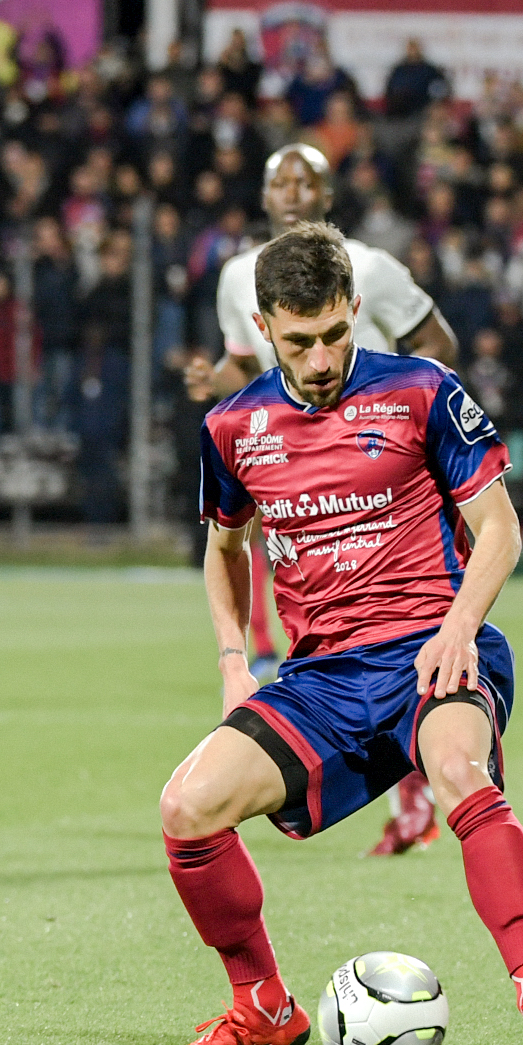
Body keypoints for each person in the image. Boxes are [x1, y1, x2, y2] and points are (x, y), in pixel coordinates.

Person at [161, 222, 523, 1045]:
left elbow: (498, 529)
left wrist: (461, 626)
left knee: (460, 773)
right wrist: (233, 662)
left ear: (356, 310)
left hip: (437, 642)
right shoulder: (232, 427)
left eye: (333, 334)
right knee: (186, 810)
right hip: (320, 676)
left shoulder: (424, 390)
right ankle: (263, 1008)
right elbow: (223, 548)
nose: (320, 359)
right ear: (262, 329)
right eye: (297, 341)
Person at [184, 143, 459, 858]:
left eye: (308, 181)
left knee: (403, 636)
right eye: (281, 181)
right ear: (265, 196)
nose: (295, 192)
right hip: (296, 478)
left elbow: (436, 341)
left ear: (328, 193)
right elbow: (242, 369)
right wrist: (208, 381)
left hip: (383, 483)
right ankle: (393, 772)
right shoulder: (237, 277)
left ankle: (432, 782)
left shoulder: (368, 267)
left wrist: (420, 428)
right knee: (327, 638)